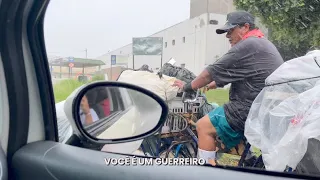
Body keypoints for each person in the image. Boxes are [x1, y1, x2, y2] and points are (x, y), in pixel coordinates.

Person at [173, 11, 284, 165]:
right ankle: (247, 159)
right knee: (217, 116)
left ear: (245, 27)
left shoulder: (248, 44)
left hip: (249, 109)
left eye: (230, 30)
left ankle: (204, 172)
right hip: (264, 108)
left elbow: (209, 73)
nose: (227, 36)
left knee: (203, 125)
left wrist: (186, 87)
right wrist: (214, 84)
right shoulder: (262, 43)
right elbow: (240, 72)